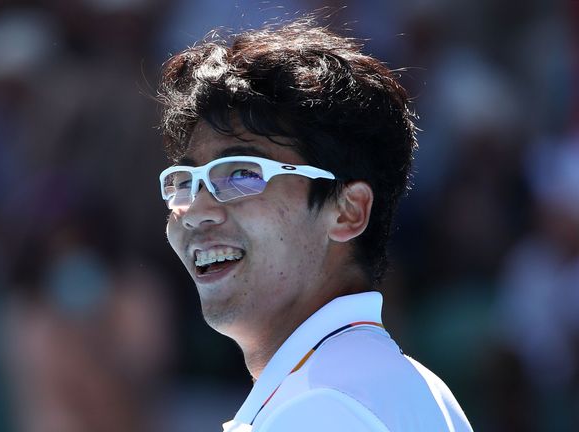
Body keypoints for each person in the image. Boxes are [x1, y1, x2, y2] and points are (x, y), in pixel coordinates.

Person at [156, 17, 473, 432]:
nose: (195, 211)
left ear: (347, 211)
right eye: (184, 181)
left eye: (241, 174)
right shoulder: (412, 387)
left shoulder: (322, 409)